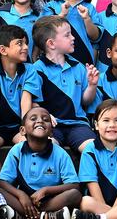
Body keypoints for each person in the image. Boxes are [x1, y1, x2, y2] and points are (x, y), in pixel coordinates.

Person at [0, 25, 41, 180]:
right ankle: (3, 185)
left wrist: (25, 129)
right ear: (3, 50)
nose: (26, 47)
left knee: (26, 144)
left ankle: (27, 184)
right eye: (20, 43)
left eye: (26, 43)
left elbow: (26, 100)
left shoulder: (29, 70)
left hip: (17, 127)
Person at [0, 106, 81, 219]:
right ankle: (45, 216)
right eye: (33, 118)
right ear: (23, 130)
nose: (40, 120)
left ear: (51, 132)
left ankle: (27, 215)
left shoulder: (60, 153)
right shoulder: (17, 150)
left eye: (46, 119)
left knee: (75, 195)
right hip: (24, 200)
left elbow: (74, 185)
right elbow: (2, 182)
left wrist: (46, 190)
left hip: (50, 200)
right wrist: (21, 195)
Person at [32, 15, 99, 153]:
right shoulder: (37, 69)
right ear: (51, 43)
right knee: (49, 148)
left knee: (92, 149)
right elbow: (32, 101)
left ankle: (87, 175)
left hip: (77, 124)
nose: (73, 38)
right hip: (50, 125)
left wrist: (92, 85)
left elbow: (85, 101)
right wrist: (44, 115)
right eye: (67, 35)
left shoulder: (78, 66)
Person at [41, 0, 103, 66]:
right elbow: (43, 33)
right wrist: (62, 15)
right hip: (56, 64)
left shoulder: (89, 8)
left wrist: (87, 19)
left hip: (84, 63)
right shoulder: (51, 7)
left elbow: (95, 37)